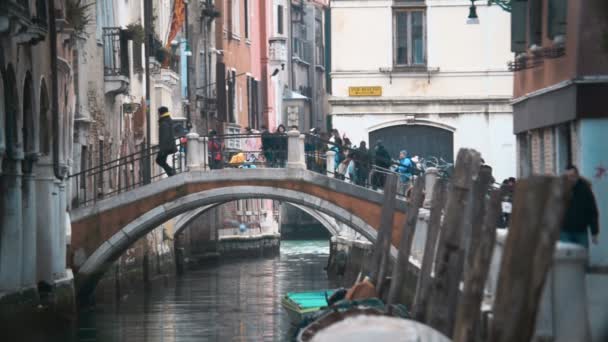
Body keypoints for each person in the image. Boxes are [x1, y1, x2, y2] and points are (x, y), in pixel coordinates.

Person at [560, 165, 600, 248]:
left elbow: (592, 211)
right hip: (565, 231)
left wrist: (594, 232)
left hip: (581, 232)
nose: (569, 179)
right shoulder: (560, 189)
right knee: (565, 259)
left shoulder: (585, 190)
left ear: (577, 176)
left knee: (581, 258)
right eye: (567, 177)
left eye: (572, 176)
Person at [156, 107, 177, 176]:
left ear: (160, 113)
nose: (157, 114)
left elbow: (164, 137)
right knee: (161, 161)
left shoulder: (164, 122)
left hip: (166, 147)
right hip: (169, 145)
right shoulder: (167, 120)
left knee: (159, 160)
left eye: (158, 113)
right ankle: (171, 172)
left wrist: (162, 149)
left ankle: (171, 172)